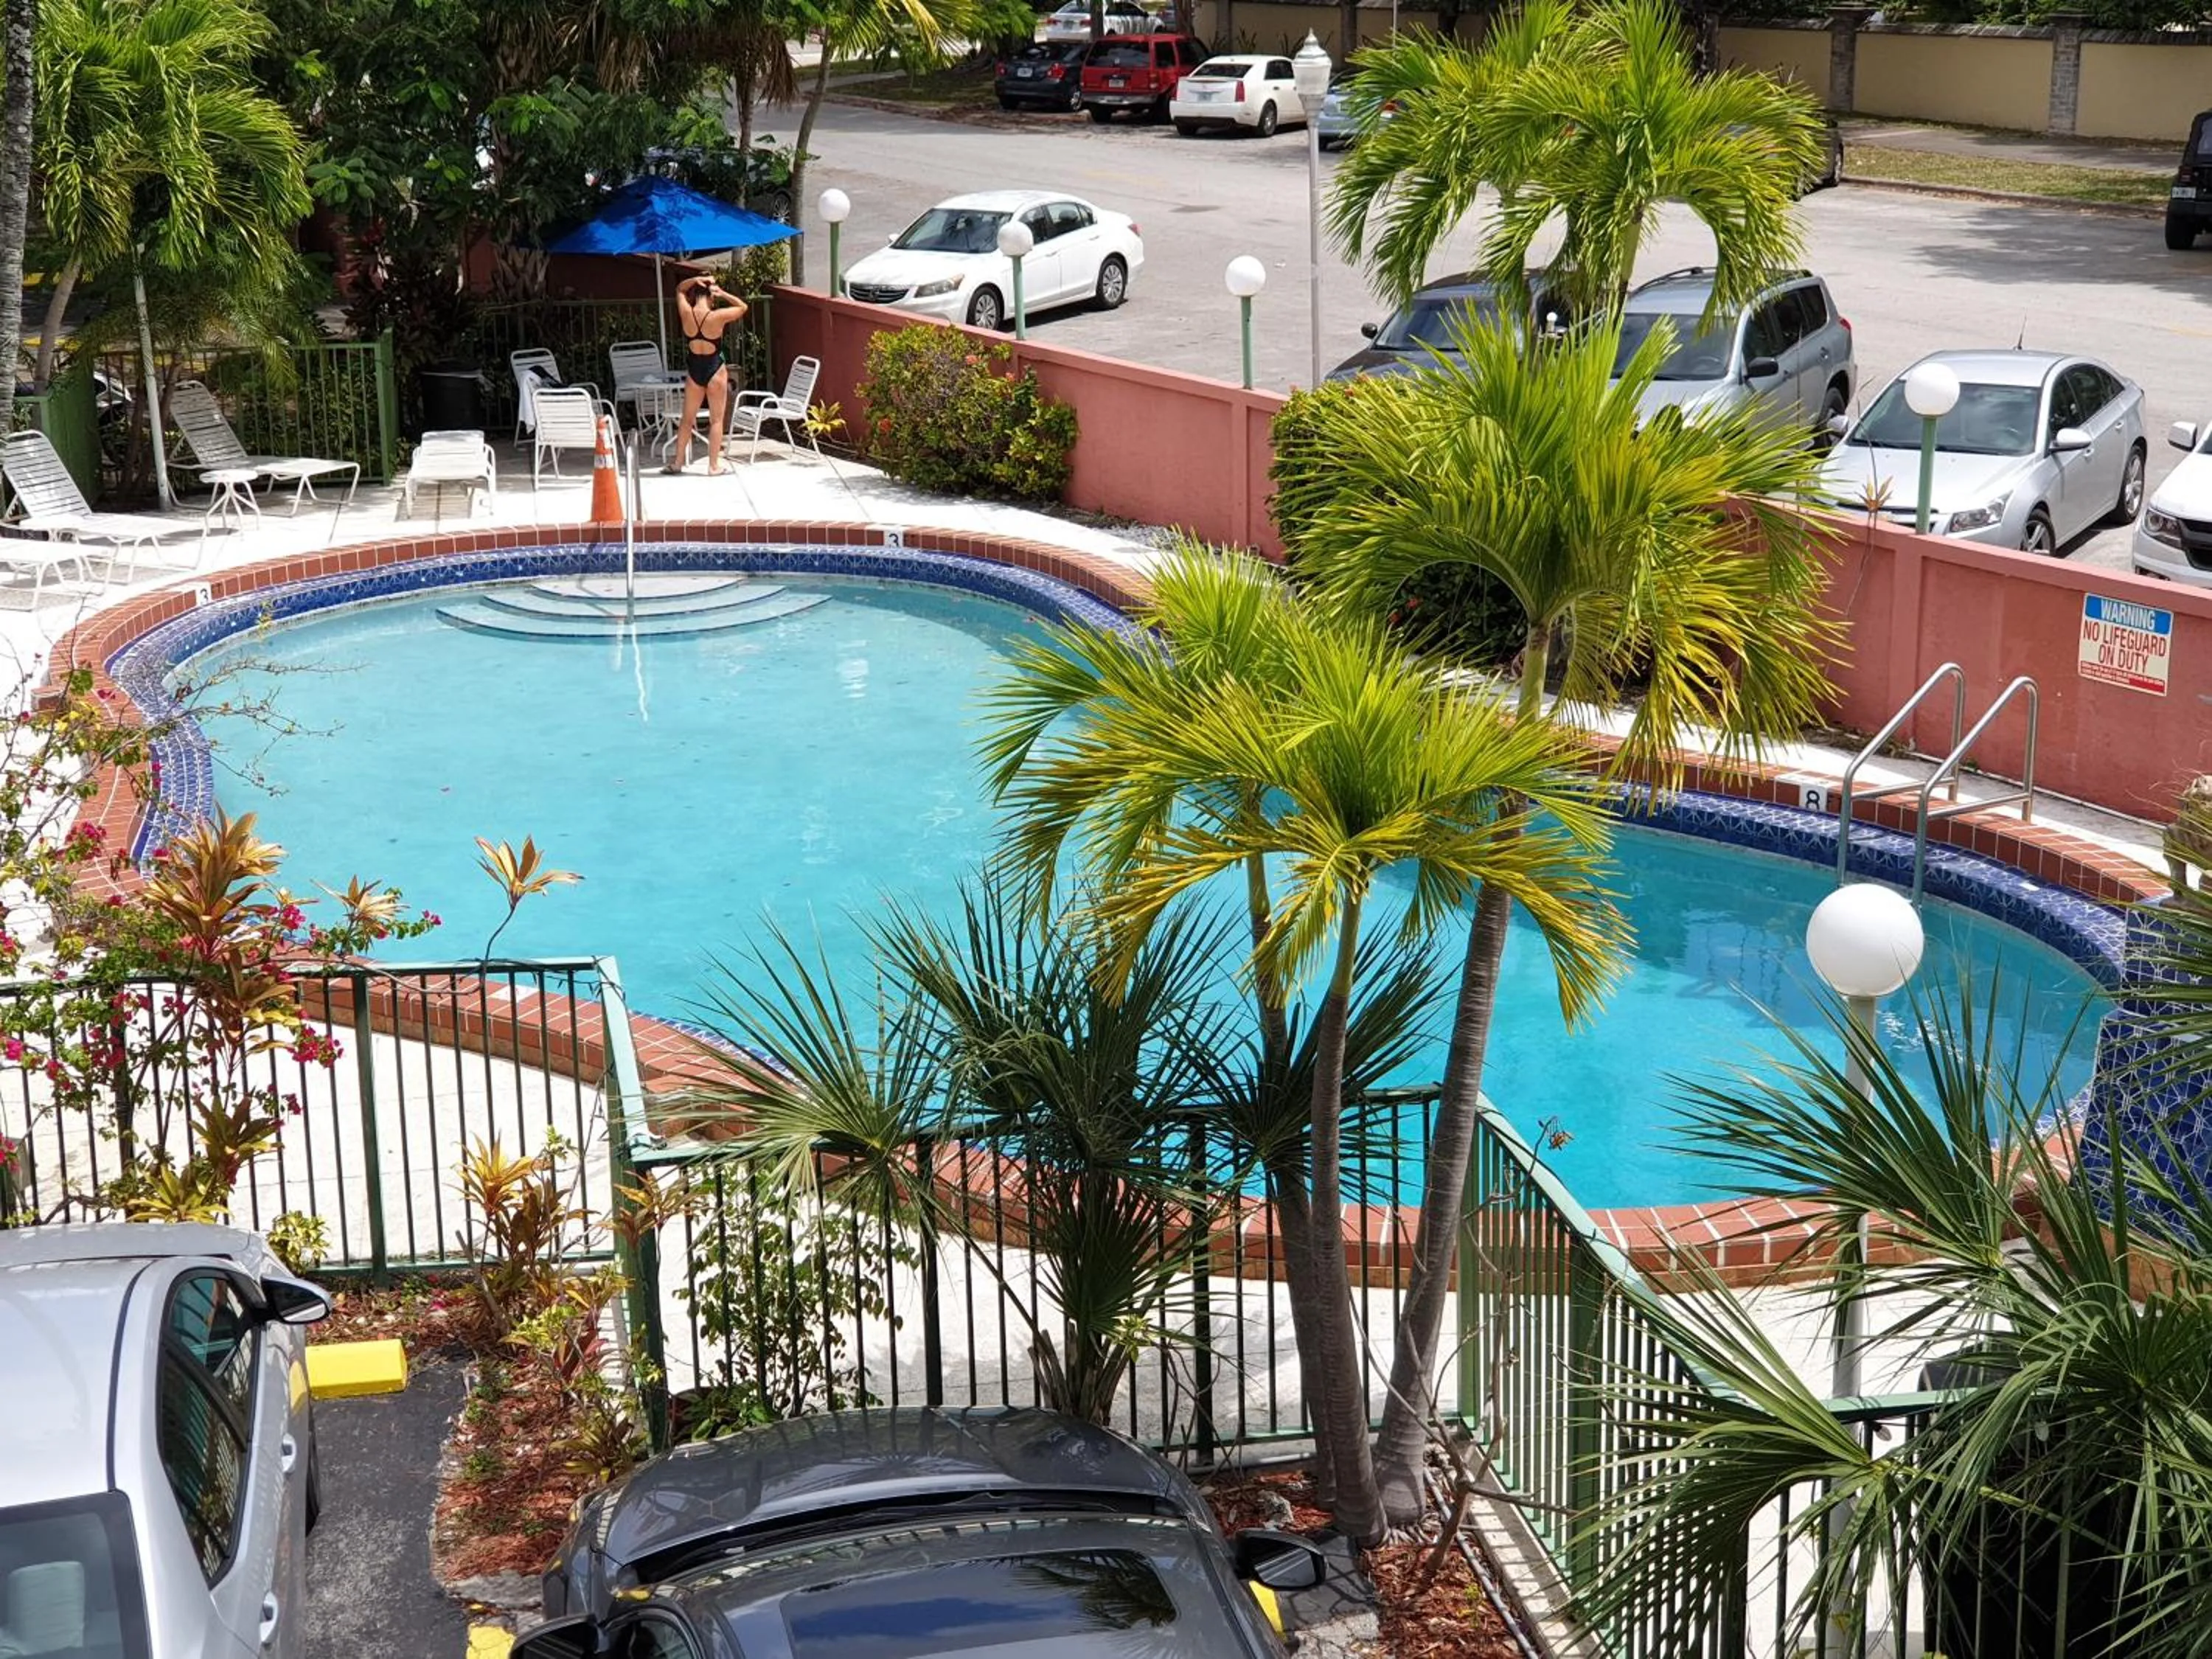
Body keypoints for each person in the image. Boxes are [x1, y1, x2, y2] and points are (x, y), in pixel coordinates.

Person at [667, 274, 748, 475]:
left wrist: (696, 279)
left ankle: (677, 463)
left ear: (694, 295)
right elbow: (743, 307)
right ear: (712, 297)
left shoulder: (686, 313)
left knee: (687, 420)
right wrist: (723, 293)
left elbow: (680, 289)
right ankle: (713, 466)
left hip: (695, 371)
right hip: (715, 370)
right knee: (716, 420)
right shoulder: (716, 316)